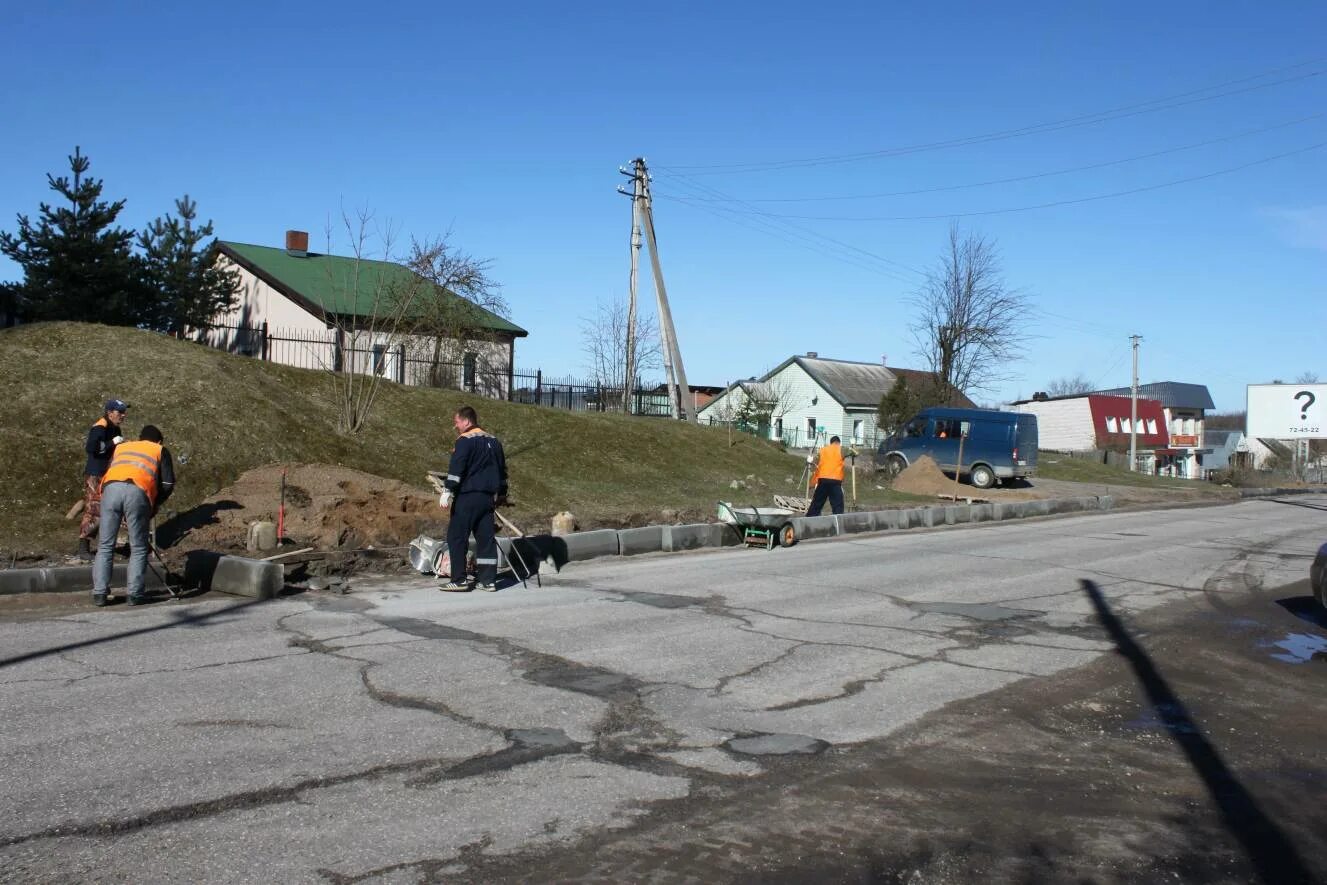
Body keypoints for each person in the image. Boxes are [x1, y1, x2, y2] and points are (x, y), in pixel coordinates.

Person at [92, 425, 175, 607]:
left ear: (140, 438)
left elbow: (111, 468)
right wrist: (154, 504)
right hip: (137, 491)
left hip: (110, 490)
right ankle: (134, 594)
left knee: (105, 545)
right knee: (138, 547)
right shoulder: (159, 449)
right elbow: (168, 483)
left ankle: (99, 594)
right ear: (159, 441)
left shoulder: (122, 447)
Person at [437, 406, 508, 593]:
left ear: (467, 421)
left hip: (467, 496)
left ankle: (459, 579)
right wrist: (502, 493)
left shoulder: (464, 441)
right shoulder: (494, 441)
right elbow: (502, 471)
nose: (456, 426)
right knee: (485, 539)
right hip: (487, 499)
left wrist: (447, 491)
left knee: (457, 537)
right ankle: (488, 581)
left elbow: (457, 467)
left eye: (457, 422)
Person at [77, 398, 129, 560]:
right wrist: (111, 443)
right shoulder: (100, 427)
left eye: (124, 411)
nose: (123, 415)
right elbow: (91, 448)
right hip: (96, 474)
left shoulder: (115, 429)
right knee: (94, 509)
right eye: (120, 412)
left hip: (110, 473)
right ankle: (84, 548)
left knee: (110, 509)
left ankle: (106, 546)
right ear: (109, 413)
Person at [806, 435, 846, 517]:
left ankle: (809, 520)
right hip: (835, 481)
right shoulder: (841, 449)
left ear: (831, 443)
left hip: (823, 480)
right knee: (837, 505)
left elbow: (818, 468)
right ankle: (838, 522)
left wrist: (812, 484)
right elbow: (855, 452)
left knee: (817, 503)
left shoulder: (823, 450)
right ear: (838, 443)